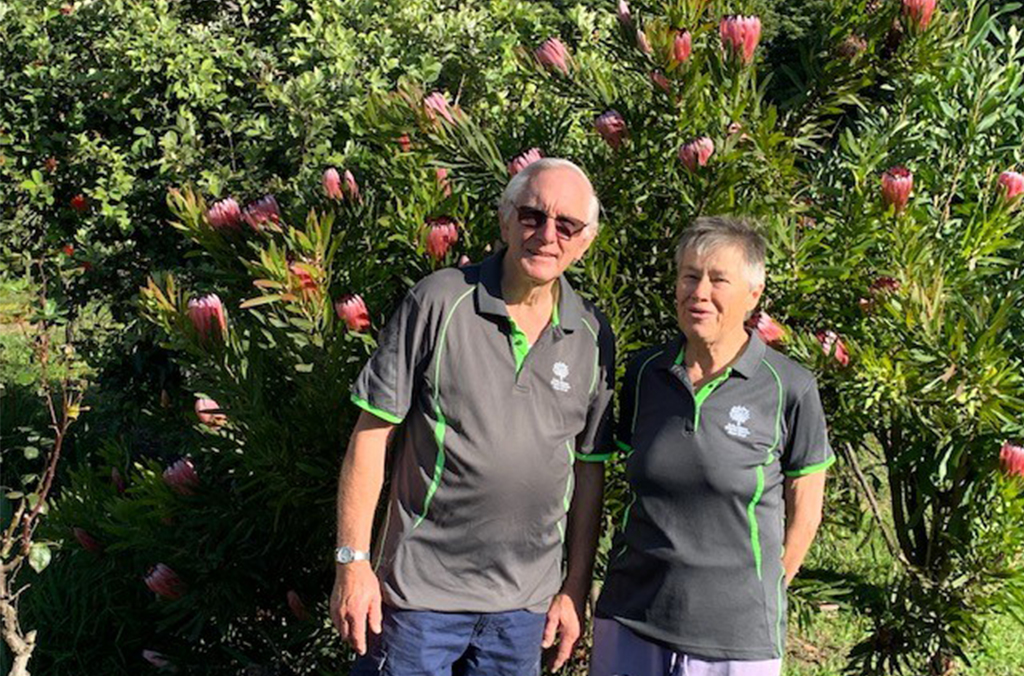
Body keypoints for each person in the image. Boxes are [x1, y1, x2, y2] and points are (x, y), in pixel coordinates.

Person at [331, 158, 616, 676]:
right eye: (532, 216)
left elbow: (587, 468)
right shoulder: (439, 301)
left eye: (567, 225)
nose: (547, 235)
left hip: (524, 610)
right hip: (418, 600)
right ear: (506, 220)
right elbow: (371, 435)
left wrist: (574, 588)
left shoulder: (593, 335)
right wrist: (352, 564)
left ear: (585, 241)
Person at [591, 216, 833, 676]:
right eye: (689, 275)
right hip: (631, 616)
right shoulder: (645, 373)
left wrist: (765, 586)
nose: (699, 292)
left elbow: (806, 509)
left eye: (718, 279)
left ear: (753, 295)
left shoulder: (790, 388)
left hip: (735, 639)